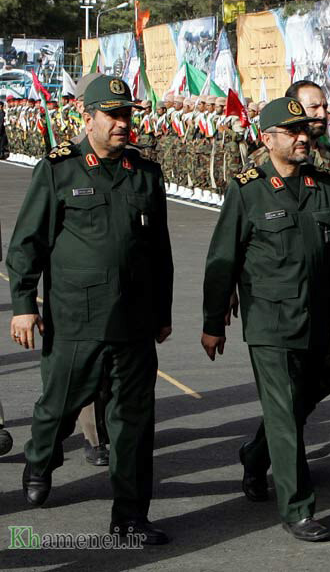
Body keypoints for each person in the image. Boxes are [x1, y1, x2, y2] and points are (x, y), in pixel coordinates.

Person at [7, 75, 174, 544]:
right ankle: (40, 457)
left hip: (133, 323)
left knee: (133, 425)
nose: (122, 123)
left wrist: (162, 311)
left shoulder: (145, 173)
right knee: (57, 408)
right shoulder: (59, 169)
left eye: (127, 115)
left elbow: (159, 251)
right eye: (112, 115)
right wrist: (23, 305)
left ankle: (129, 518)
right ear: (88, 118)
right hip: (76, 320)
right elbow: (26, 243)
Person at [201, 97, 330, 542]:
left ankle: (255, 455)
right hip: (270, 321)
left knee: (295, 404)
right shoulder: (247, 189)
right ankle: (298, 508)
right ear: (268, 140)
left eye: (305, 130)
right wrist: (213, 323)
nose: (303, 137)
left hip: (318, 318)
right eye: (292, 132)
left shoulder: (324, 185)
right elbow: (222, 259)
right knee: (285, 412)